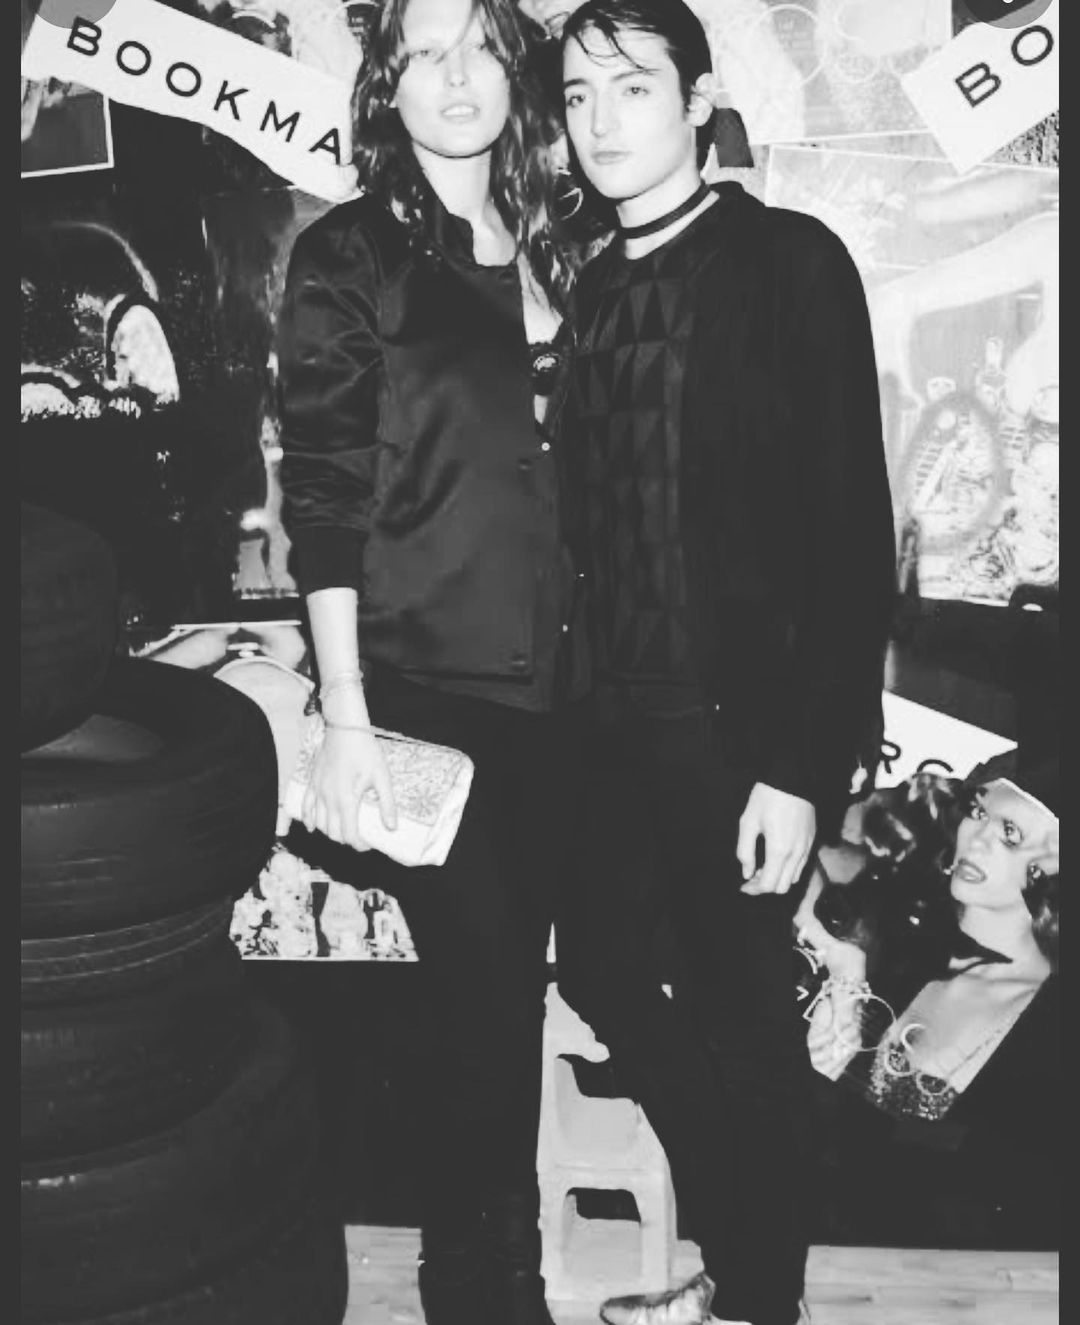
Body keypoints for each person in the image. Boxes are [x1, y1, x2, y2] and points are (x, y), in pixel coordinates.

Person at [547, 4, 896, 1323]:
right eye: (577, 95)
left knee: (745, 1020)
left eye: (633, 86)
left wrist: (800, 767)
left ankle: (758, 1300)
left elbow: (853, 541)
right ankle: (740, 1254)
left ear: (698, 101)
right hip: (609, 731)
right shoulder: (593, 292)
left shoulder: (790, 263)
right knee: (603, 972)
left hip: (736, 734)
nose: (600, 119)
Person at [274, 2, 588, 1321]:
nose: (457, 77)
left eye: (480, 47)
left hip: (573, 693)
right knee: (488, 1001)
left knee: (520, 997)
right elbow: (324, 494)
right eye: (424, 55)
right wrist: (346, 717)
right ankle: (485, 1292)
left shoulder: (570, 241)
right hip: (424, 694)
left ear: (515, 68)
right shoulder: (350, 255)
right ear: (386, 90)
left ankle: (496, 1277)